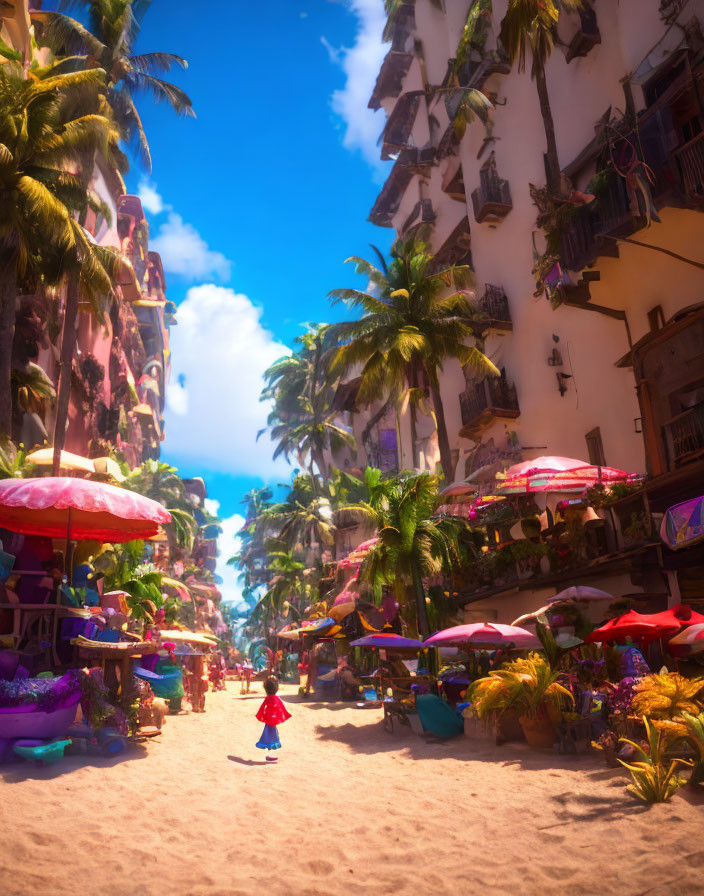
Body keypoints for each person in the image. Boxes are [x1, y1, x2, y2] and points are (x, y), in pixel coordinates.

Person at [255, 676, 291, 763]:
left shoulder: (267, 699)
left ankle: (268, 755)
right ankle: (269, 756)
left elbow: (262, 708)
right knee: (271, 739)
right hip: (272, 722)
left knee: (268, 739)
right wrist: (285, 715)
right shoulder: (276, 699)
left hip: (268, 722)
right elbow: (281, 709)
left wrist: (260, 716)